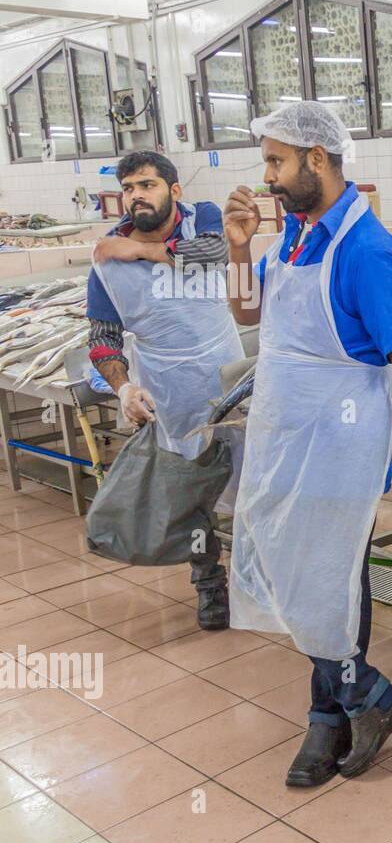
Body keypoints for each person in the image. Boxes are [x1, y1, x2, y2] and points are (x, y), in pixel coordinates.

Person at [223, 101, 392, 787]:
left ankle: (333, 717)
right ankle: (363, 698)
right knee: (293, 572)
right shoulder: (296, 235)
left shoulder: (368, 251)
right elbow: (248, 313)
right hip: (285, 439)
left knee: (328, 576)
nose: (269, 178)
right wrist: (236, 247)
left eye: (277, 162)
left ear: (318, 160)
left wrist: (390, 441)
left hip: (337, 445)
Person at [89, 151, 244, 631]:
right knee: (188, 498)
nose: (137, 195)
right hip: (168, 392)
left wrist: (139, 250)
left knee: (258, 480)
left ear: (174, 191)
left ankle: (266, 575)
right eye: (130, 187)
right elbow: (101, 340)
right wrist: (124, 388)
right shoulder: (106, 265)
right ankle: (208, 582)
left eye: (148, 185)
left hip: (232, 378)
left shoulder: (204, 219)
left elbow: (216, 254)